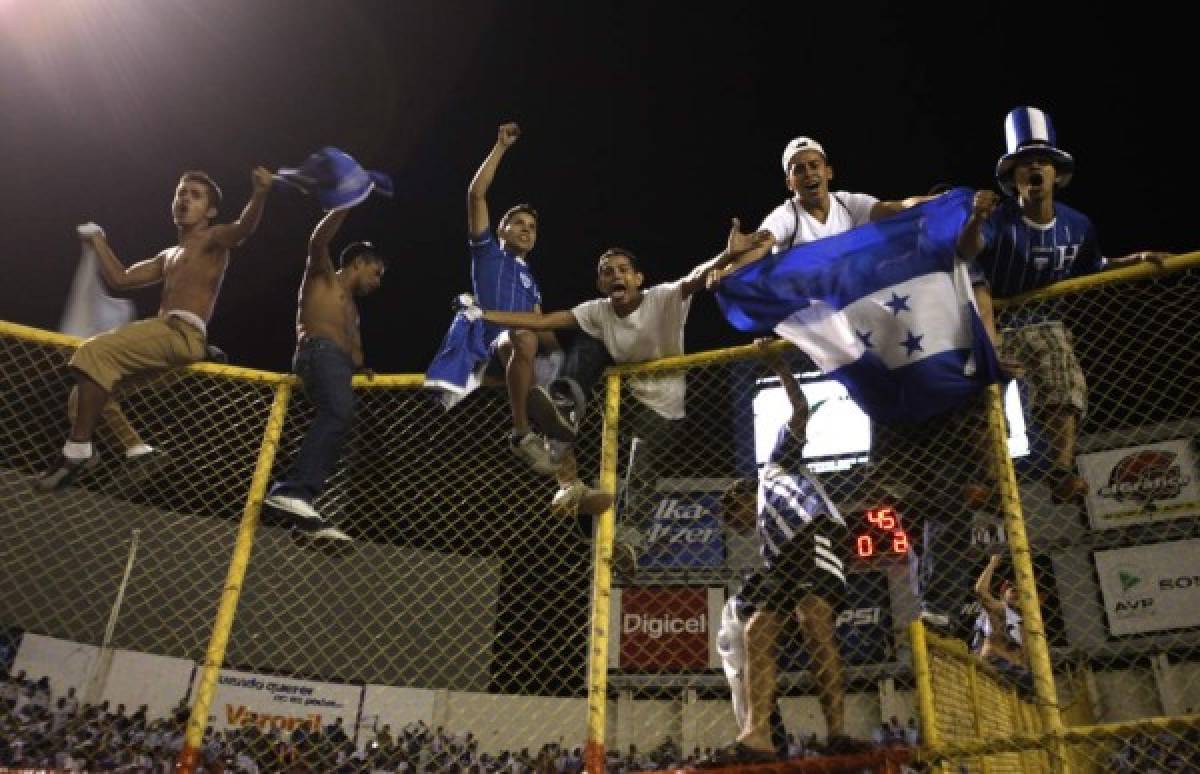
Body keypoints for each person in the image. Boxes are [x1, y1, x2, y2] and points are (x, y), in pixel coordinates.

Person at [467, 224, 766, 522]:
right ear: (601, 284)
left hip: (663, 410)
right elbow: (545, 322)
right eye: (608, 272)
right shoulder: (598, 310)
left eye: (623, 270)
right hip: (624, 399)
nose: (616, 276)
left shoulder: (661, 298)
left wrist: (727, 255)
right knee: (587, 346)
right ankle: (565, 426)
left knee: (642, 460)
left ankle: (629, 538)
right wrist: (485, 315)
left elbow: (695, 279)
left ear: (638, 279)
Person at [958, 105, 1171, 503]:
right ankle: (984, 477)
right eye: (1025, 163)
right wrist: (973, 220)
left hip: (1043, 320)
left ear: (1057, 174)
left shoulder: (1078, 225)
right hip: (992, 320)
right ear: (1013, 178)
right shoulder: (995, 220)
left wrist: (1133, 260)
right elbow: (967, 254)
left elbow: (1092, 266)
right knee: (979, 391)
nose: (1034, 168)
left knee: (1061, 375)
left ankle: (1060, 467)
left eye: (1043, 161)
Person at [36, 167, 272, 491]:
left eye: (195, 195)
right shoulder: (168, 255)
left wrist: (259, 194)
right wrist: (98, 241)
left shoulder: (213, 239)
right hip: (168, 342)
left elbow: (243, 229)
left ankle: (77, 451)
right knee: (83, 396)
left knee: (92, 352)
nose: (184, 198)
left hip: (182, 334)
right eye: (180, 193)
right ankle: (136, 449)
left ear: (211, 211)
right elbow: (120, 278)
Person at [708, 339, 869, 763]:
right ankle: (757, 733)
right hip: (781, 560)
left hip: (814, 536)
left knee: (814, 617)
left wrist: (778, 364)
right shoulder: (765, 532)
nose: (733, 522)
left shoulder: (774, 468)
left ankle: (837, 731)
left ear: (744, 495)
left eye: (732, 512)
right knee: (757, 628)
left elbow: (799, 410)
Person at [262, 205, 386, 540]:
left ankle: (308, 520)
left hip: (339, 366)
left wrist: (362, 366)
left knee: (344, 431)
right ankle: (293, 491)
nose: (378, 282)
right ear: (358, 263)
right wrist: (346, 204)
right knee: (339, 413)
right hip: (318, 353)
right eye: (376, 273)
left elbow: (356, 351)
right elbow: (318, 241)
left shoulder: (354, 311)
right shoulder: (325, 277)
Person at [467, 122, 573, 474]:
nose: (527, 230)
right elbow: (476, 195)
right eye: (520, 224)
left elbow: (541, 323)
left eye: (533, 227)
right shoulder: (487, 253)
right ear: (501, 230)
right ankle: (521, 432)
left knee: (544, 346)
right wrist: (500, 147)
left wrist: (562, 357)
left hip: (520, 355)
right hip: (486, 347)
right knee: (523, 336)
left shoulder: (530, 278)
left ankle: (557, 449)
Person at [709, 135, 932, 279]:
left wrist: (940, 201)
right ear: (789, 183)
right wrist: (727, 272)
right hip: (805, 321)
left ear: (828, 172)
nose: (808, 173)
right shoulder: (786, 216)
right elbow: (760, 247)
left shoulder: (848, 203)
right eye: (799, 170)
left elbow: (897, 207)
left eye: (814, 165)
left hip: (844, 311)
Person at [971, 553, 1033, 693]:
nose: (1017, 593)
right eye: (1013, 589)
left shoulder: (1026, 623)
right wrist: (992, 564)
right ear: (1002, 595)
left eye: (1021, 591)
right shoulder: (1002, 609)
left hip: (1013, 671)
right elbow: (980, 590)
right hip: (996, 663)